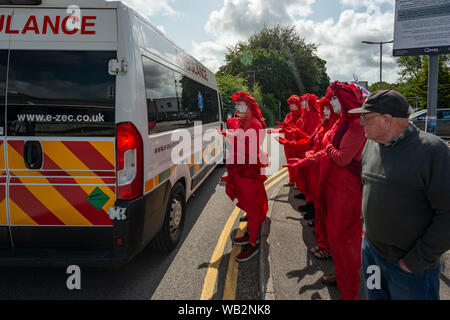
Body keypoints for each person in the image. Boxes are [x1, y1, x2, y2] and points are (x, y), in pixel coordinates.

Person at [349, 89, 450, 300]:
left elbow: (447, 214)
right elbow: (367, 186)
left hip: (410, 268)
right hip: (372, 255)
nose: (361, 123)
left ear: (387, 119)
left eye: (365, 117)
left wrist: (415, 262)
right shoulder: (371, 145)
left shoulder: (433, 151)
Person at [288, 81, 367, 299]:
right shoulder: (342, 122)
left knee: (344, 239)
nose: (330, 103)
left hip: (345, 192)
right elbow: (325, 151)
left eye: (334, 99)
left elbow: (341, 158)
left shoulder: (357, 126)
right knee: (335, 237)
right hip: (333, 187)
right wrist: (306, 161)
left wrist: (326, 142)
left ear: (346, 101)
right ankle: (342, 274)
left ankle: (350, 289)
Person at [219, 91, 269, 262]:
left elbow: (251, 150)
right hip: (242, 169)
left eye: (240, 105)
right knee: (248, 204)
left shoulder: (254, 123)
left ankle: (253, 243)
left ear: (249, 107)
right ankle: (250, 234)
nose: (236, 107)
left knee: (252, 207)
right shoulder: (245, 121)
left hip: (249, 171)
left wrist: (232, 138)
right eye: (236, 105)